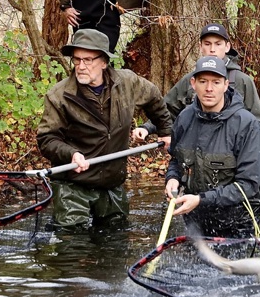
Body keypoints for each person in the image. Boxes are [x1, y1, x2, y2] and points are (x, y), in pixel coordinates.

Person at [36, 29, 172, 229]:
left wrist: (165, 131)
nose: (81, 67)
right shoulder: (59, 96)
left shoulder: (127, 82)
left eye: (88, 60)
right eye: (77, 60)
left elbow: (154, 99)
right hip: (72, 183)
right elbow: (47, 139)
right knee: (72, 243)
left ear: (104, 61)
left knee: (115, 238)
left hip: (111, 181)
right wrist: (71, 154)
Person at [164, 56, 260, 238]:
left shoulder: (248, 126)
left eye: (216, 82)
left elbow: (248, 185)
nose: (209, 89)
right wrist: (172, 178)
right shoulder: (184, 118)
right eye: (203, 81)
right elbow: (175, 160)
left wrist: (201, 200)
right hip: (196, 219)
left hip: (238, 223)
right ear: (193, 84)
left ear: (226, 85)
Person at [132, 23, 260, 140]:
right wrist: (147, 128)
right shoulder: (190, 80)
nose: (212, 49)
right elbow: (167, 110)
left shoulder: (243, 81)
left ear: (227, 47)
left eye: (218, 44)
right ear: (200, 47)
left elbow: (258, 125)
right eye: (207, 44)